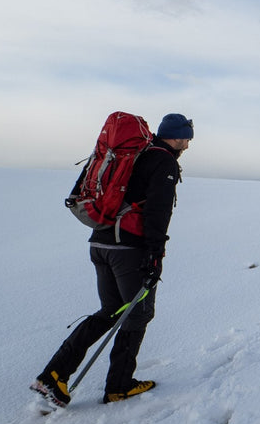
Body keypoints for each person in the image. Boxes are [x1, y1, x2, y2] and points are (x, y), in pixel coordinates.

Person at [30, 113, 194, 408]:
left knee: (110, 310)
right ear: (177, 136)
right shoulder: (164, 161)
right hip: (129, 249)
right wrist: (155, 255)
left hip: (100, 241)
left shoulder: (132, 154)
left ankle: (53, 375)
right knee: (138, 314)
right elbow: (158, 212)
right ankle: (118, 386)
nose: (188, 144)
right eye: (187, 138)